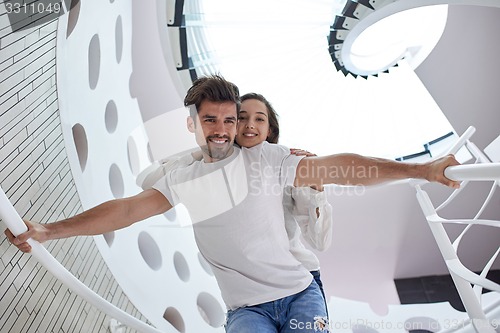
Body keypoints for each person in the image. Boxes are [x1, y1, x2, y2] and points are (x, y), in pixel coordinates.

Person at [4, 75, 461, 333]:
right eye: (211, 120)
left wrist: (421, 170)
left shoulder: (271, 158)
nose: (222, 128)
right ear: (192, 124)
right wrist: (47, 230)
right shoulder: (182, 178)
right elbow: (124, 211)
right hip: (247, 311)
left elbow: (345, 167)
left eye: (230, 119)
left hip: (301, 294)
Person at [137, 91, 333, 310]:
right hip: (251, 296)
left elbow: (320, 242)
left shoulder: (283, 165)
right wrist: (204, 151)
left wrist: (316, 183)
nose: (250, 124)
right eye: (241, 118)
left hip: (299, 280)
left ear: (269, 130)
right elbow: (147, 181)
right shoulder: (210, 168)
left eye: (259, 118)